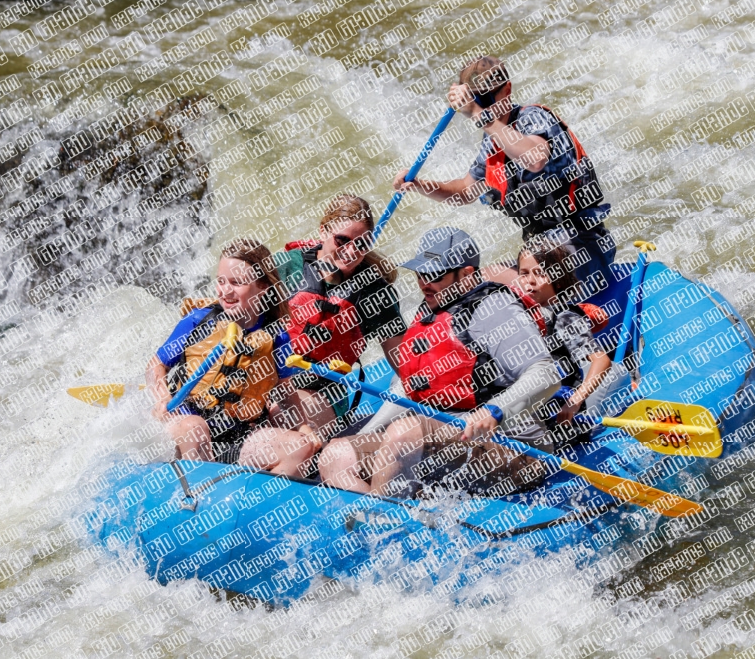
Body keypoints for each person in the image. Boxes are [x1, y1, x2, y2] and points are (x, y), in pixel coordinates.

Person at [318, 227, 561, 498]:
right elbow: (408, 387)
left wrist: (494, 411)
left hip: (515, 449)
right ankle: (379, 521)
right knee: (336, 455)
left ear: (467, 275)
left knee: (404, 433)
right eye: (420, 273)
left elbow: (546, 374)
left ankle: (387, 524)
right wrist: (367, 434)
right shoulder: (433, 308)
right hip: (442, 438)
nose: (424, 283)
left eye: (435, 274)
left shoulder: (494, 308)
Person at [393, 55, 617, 291]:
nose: (482, 106)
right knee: (470, 285)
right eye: (475, 99)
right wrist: (420, 185)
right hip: (538, 257)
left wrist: (478, 113)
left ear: (507, 89)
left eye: (486, 98)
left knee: (524, 281)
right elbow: (466, 191)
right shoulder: (492, 141)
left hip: (582, 247)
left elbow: (535, 159)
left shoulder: (533, 118)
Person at [146, 239, 318, 475]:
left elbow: (286, 391)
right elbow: (157, 364)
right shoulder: (199, 321)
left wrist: (305, 428)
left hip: (240, 434)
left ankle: (258, 504)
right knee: (196, 430)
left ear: (263, 286)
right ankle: (198, 498)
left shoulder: (275, 334)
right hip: (187, 421)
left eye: (237, 283)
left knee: (299, 447)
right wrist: (162, 397)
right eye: (221, 281)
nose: (226, 291)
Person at [274, 193, 407, 442]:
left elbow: (404, 363)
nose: (351, 251)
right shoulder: (286, 267)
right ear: (324, 230)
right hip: (270, 379)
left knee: (282, 415)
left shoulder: (375, 292)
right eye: (342, 240)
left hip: (322, 390)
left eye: (361, 244)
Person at [516, 238, 612, 448]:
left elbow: (601, 361)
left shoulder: (564, 317)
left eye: (539, 273)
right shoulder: (517, 316)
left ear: (557, 280)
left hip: (562, 416)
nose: (529, 281)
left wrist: (574, 402)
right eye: (524, 273)